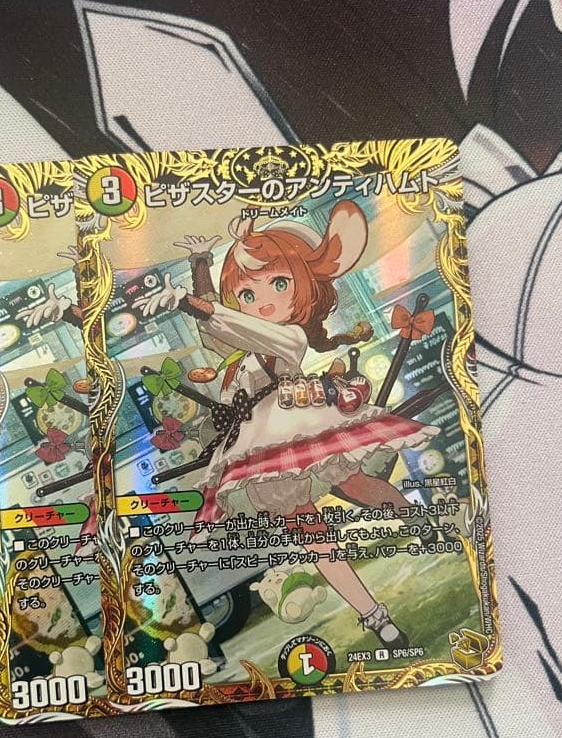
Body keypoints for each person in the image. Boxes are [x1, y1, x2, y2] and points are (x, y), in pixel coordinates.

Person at [133, 201, 439, 649]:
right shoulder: (236, 356)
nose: (262, 301)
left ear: (305, 288)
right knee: (311, 533)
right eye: (247, 293)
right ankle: (375, 617)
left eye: (280, 284)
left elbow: (232, 324)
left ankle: (417, 520)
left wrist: (189, 302)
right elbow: (219, 329)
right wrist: (199, 266)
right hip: (258, 448)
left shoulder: (290, 336)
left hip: (299, 427)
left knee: (357, 486)